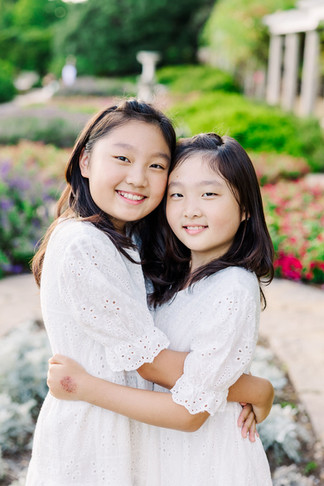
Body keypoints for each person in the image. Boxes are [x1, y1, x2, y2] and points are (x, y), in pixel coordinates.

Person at [26, 100, 270, 486]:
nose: (138, 177)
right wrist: (256, 387)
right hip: (96, 440)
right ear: (85, 161)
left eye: (156, 165)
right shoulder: (82, 243)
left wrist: (259, 388)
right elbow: (151, 363)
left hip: (135, 433)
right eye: (122, 157)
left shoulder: (131, 242)